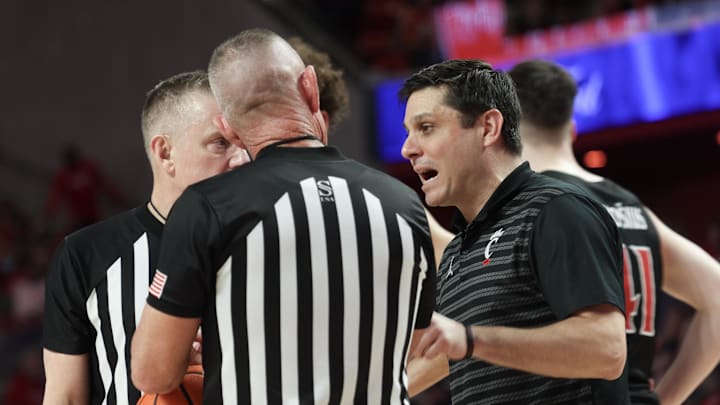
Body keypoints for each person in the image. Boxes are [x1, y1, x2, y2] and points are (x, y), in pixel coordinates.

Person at [131, 28, 437, 404]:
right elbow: (418, 344)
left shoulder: (207, 207)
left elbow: (152, 371)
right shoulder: (404, 204)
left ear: (227, 125)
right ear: (310, 86)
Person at [400, 59, 629, 404]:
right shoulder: (458, 248)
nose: (408, 149)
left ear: (489, 128)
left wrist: (471, 339)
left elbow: (607, 349)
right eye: (408, 132)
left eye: (427, 127)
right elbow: (454, 348)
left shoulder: (555, 209)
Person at [509, 59, 720, 405]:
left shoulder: (533, 205)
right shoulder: (632, 207)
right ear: (572, 128)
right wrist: (665, 400)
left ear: (506, 127)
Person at [42, 70, 248, 405]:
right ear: (165, 153)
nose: (241, 159)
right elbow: (64, 396)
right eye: (220, 143)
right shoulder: (85, 254)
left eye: (243, 144)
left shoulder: (269, 245)